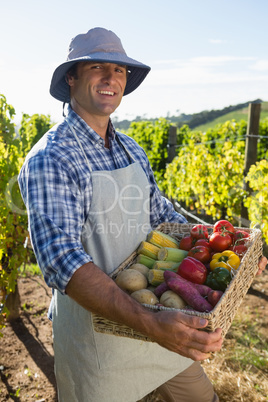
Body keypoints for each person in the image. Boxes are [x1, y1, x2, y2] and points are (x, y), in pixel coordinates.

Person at [18, 27, 267, 402]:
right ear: (72, 77)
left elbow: (161, 214)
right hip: (99, 339)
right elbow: (61, 262)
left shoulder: (130, 149)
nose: (111, 78)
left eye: (119, 70)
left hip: (159, 314)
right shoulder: (51, 157)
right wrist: (150, 321)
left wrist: (231, 250)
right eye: (97, 67)